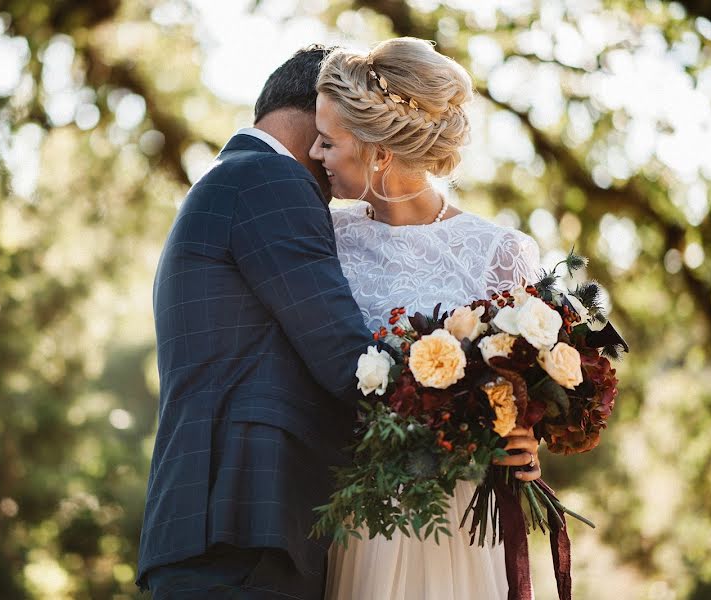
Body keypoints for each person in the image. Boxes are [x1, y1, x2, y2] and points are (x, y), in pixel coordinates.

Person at [136, 45, 379, 599]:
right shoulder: (272, 181)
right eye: (341, 132)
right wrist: (468, 401)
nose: (337, 155)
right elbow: (347, 360)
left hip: (215, 530)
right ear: (316, 113)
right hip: (244, 526)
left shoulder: (228, 180)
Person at [309, 38, 544, 599]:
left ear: (378, 153)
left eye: (327, 141)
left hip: (458, 518)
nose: (315, 156)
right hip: (355, 510)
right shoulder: (324, 239)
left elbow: (516, 391)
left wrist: (527, 434)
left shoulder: (500, 252)